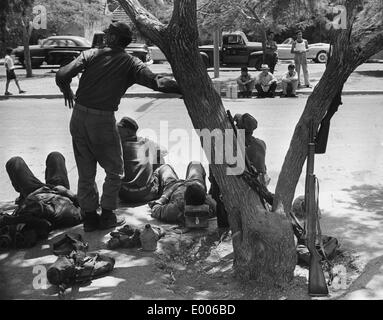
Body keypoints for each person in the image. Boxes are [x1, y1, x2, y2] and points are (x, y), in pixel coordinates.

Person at [55, 22, 181, 232]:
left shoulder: (91, 55)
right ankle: (107, 215)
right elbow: (157, 82)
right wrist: (184, 87)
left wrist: (65, 88)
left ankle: (89, 219)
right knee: (114, 171)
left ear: (114, 39)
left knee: (86, 171)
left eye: (108, 34)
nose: (104, 37)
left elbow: (62, 75)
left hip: (78, 117)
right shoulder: (131, 63)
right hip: (102, 120)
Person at [4, 152, 83, 230]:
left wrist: (29, 197)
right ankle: (25, 194)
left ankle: (23, 195)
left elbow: (23, 214)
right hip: (59, 193)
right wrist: (66, 192)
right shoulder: (74, 215)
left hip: (36, 192)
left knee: (15, 162)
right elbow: (83, 203)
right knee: (55, 156)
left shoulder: (42, 215)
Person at [117, 116, 167, 203]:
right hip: (147, 195)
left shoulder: (118, 146)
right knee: (159, 159)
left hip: (124, 195)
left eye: (119, 129)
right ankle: (159, 190)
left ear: (128, 132)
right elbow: (164, 151)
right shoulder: (146, 142)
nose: (116, 131)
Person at [148, 162, 216, 224]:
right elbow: (216, 205)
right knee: (195, 163)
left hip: (173, 186)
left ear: (185, 199)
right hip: (195, 184)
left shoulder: (175, 209)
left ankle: (155, 191)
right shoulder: (209, 206)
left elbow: (155, 210)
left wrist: (164, 197)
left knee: (165, 167)